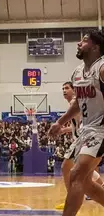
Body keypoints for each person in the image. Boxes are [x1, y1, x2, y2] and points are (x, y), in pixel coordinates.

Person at [49, 31, 104, 215]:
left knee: (76, 174)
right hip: (87, 130)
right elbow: (79, 104)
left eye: (85, 40)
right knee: (86, 183)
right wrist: (59, 122)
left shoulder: (102, 68)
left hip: (101, 129)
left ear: (96, 47)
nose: (79, 43)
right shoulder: (77, 72)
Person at [55, 81, 104, 210]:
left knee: (68, 168)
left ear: (74, 90)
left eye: (67, 88)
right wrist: (64, 130)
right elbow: (76, 126)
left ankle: (72, 198)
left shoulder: (77, 103)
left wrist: (60, 124)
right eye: (63, 88)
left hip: (84, 138)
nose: (64, 91)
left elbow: (84, 122)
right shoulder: (74, 104)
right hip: (80, 138)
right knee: (81, 172)